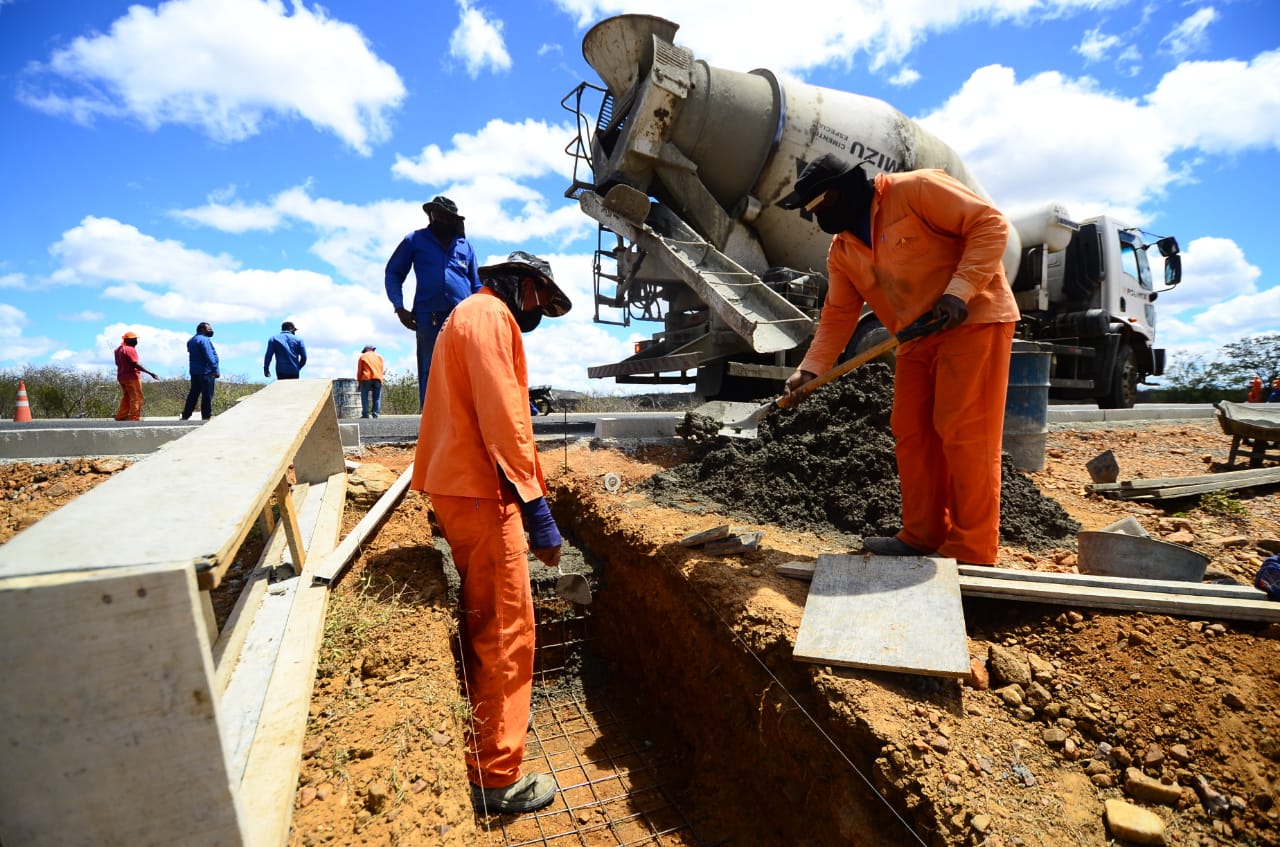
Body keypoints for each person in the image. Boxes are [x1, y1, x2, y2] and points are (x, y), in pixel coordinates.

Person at [777, 153, 1019, 566]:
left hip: (972, 320)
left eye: (822, 203)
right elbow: (838, 314)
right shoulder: (842, 250)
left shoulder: (916, 189)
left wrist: (959, 291)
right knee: (911, 431)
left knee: (964, 432)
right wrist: (810, 370)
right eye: (812, 210)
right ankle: (923, 535)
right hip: (915, 337)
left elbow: (990, 224)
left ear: (845, 188)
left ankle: (972, 549)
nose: (819, 217)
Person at [411, 250, 572, 815]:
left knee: (487, 616)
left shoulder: (468, 315)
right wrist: (535, 506)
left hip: (462, 486)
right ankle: (495, 774)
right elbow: (504, 415)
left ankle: (484, 745)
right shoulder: (490, 315)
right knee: (507, 629)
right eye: (540, 300)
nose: (538, 313)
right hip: (483, 490)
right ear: (521, 284)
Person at [384, 195, 482, 408]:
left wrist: (481, 315)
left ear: (454, 220)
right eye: (436, 214)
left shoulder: (465, 246)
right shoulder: (414, 240)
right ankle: (432, 418)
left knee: (466, 366)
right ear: (430, 216)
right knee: (430, 366)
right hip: (428, 316)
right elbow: (393, 273)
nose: (441, 219)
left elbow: (476, 284)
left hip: (463, 317)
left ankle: (465, 418)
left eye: (446, 216)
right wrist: (399, 307)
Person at [112, 331, 159, 421]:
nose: (136, 341)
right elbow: (135, 364)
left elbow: (117, 363)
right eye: (133, 339)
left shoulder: (117, 350)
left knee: (127, 397)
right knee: (136, 397)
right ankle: (134, 417)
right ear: (127, 340)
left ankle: (121, 416)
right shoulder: (130, 349)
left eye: (136, 339)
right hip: (132, 377)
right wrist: (150, 373)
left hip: (121, 376)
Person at [181, 322, 220, 420]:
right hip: (206, 372)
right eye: (209, 329)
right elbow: (209, 355)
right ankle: (206, 416)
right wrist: (215, 369)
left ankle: (186, 415)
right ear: (202, 329)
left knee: (193, 394)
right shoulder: (204, 340)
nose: (211, 331)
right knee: (207, 395)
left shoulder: (191, 340)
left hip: (194, 372)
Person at [356, 344, 385, 418]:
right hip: (378, 378)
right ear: (373, 349)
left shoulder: (363, 356)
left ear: (366, 350)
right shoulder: (379, 357)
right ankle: (375, 414)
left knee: (364, 396)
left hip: (366, 378)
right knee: (377, 397)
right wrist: (381, 380)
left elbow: (360, 371)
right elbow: (381, 369)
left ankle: (365, 414)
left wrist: (359, 381)